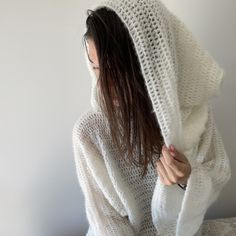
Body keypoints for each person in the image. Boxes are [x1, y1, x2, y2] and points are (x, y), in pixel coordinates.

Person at [72, 0, 231, 235]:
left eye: (112, 69)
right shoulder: (90, 131)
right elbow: (106, 222)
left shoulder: (192, 115)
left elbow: (218, 172)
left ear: (145, 63)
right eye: (95, 68)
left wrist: (189, 177)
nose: (102, 84)